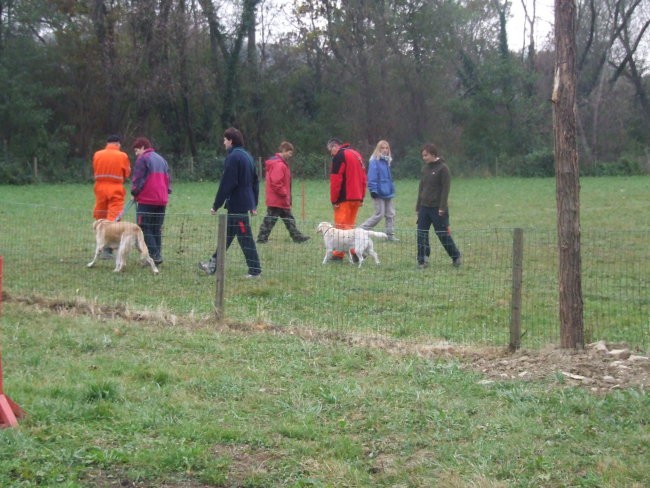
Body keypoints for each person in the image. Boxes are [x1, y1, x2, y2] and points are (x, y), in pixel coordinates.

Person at [198, 127, 262, 278]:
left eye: (225, 140)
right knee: (226, 236)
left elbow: (227, 183)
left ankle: (255, 270)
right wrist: (253, 204)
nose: (224, 142)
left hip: (238, 205)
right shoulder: (248, 156)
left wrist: (216, 204)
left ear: (231, 141)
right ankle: (212, 264)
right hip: (243, 204)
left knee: (245, 238)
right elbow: (255, 182)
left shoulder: (233, 158)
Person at [416, 143, 462, 268]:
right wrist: (418, 207)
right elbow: (421, 188)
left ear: (433, 154)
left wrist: (442, 207)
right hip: (424, 208)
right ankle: (422, 259)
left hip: (437, 208)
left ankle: (456, 256)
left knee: (442, 233)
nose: (424, 158)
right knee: (421, 233)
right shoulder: (425, 169)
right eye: (423, 155)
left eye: (426, 155)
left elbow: (445, 190)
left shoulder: (443, 169)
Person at [256, 141, 310, 244]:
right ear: (284, 151)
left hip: (280, 198)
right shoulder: (279, 165)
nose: (290, 155)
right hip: (278, 198)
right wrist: (285, 193)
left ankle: (297, 237)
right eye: (289, 153)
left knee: (288, 219)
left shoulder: (280, 163)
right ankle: (261, 239)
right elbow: (276, 182)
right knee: (270, 220)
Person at [131, 137, 172, 265]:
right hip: (162, 199)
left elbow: (138, 179)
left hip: (147, 199)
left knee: (143, 227)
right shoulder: (161, 159)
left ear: (143, 147)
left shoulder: (143, 159)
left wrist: (134, 192)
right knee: (156, 228)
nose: (136, 153)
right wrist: (166, 192)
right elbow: (168, 179)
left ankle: (155, 254)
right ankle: (156, 256)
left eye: (137, 150)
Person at [327, 138, 367, 260]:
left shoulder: (339, 156)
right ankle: (354, 252)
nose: (331, 154)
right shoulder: (357, 154)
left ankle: (342, 254)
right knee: (349, 226)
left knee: (341, 228)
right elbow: (364, 178)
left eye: (330, 151)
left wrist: (334, 200)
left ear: (335, 146)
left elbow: (336, 180)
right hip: (356, 196)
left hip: (344, 198)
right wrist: (362, 196)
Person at [360, 140, 398, 241]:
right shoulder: (374, 161)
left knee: (390, 214)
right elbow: (371, 177)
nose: (385, 150)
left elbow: (388, 177)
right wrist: (373, 190)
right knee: (379, 214)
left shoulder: (387, 160)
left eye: (386, 148)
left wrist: (391, 187)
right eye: (382, 148)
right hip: (378, 192)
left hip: (388, 191)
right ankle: (361, 230)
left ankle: (390, 235)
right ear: (378, 149)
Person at [92, 134, 131, 221]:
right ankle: (111, 232)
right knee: (114, 216)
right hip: (116, 188)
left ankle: (101, 232)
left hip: (99, 187)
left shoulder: (97, 154)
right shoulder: (123, 156)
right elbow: (127, 173)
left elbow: (95, 169)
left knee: (100, 214)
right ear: (118, 144)